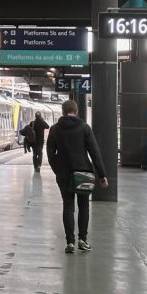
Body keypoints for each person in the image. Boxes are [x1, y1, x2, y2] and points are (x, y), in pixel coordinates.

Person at [46, 99, 108, 254]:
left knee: (68, 206)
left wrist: (57, 169)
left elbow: (50, 152)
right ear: (76, 111)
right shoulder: (84, 128)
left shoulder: (55, 129)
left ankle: (70, 243)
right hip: (83, 172)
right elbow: (94, 153)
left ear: (63, 111)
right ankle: (82, 240)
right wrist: (102, 174)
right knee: (83, 206)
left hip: (64, 173)